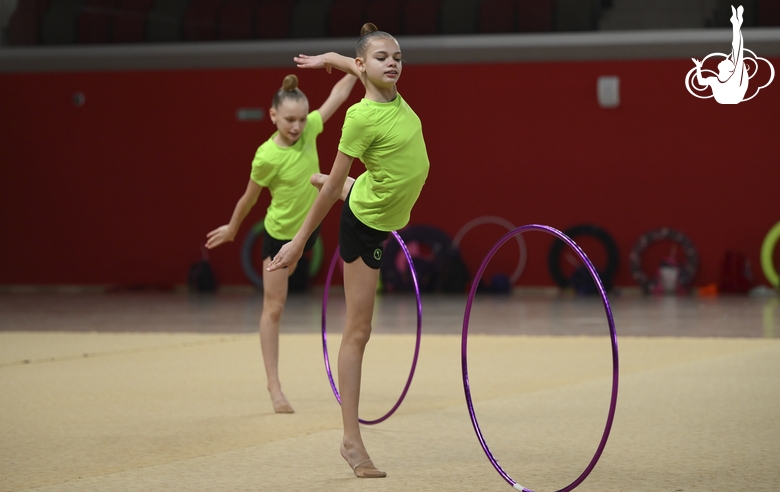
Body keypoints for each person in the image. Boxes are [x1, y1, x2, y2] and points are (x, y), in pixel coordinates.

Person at [268, 23, 430, 478]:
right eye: (382, 58)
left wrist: (329, 58)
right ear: (366, 67)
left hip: (380, 204)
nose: (393, 62)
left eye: (397, 56)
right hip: (364, 227)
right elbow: (332, 182)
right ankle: (350, 441)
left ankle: (357, 191)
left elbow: (359, 64)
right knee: (359, 331)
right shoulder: (361, 117)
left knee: (353, 189)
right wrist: (298, 243)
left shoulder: (390, 93)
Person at [206, 72, 357, 414]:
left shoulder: (312, 130)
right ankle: (274, 386)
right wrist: (232, 227)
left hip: (311, 227)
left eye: (302, 119)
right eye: (290, 120)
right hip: (279, 235)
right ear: (273, 116)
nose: (297, 126)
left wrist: (353, 68)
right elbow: (249, 198)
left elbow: (338, 94)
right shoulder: (266, 156)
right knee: (274, 307)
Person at [692, 5, 748, 104]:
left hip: (733, 97)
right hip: (727, 98)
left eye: (727, 61)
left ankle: (736, 24)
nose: (725, 59)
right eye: (728, 60)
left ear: (729, 69)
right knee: (737, 53)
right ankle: (736, 24)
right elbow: (700, 82)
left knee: (737, 52)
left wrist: (736, 26)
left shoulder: (734, 77)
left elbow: (738, 48)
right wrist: (698, 67)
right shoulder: (714, 80)